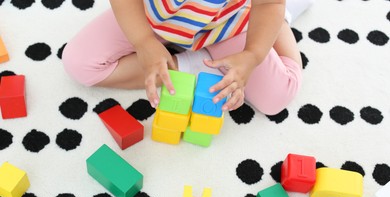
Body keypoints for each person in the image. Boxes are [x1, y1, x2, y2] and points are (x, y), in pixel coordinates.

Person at [62, 0, 314, 115]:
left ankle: (285, 18)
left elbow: (267, 5)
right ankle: (188, 61)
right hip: (154, 17)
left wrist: (253, 54)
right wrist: (143, 41)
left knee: (276, 97)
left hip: (230, 24)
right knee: (80, 64)